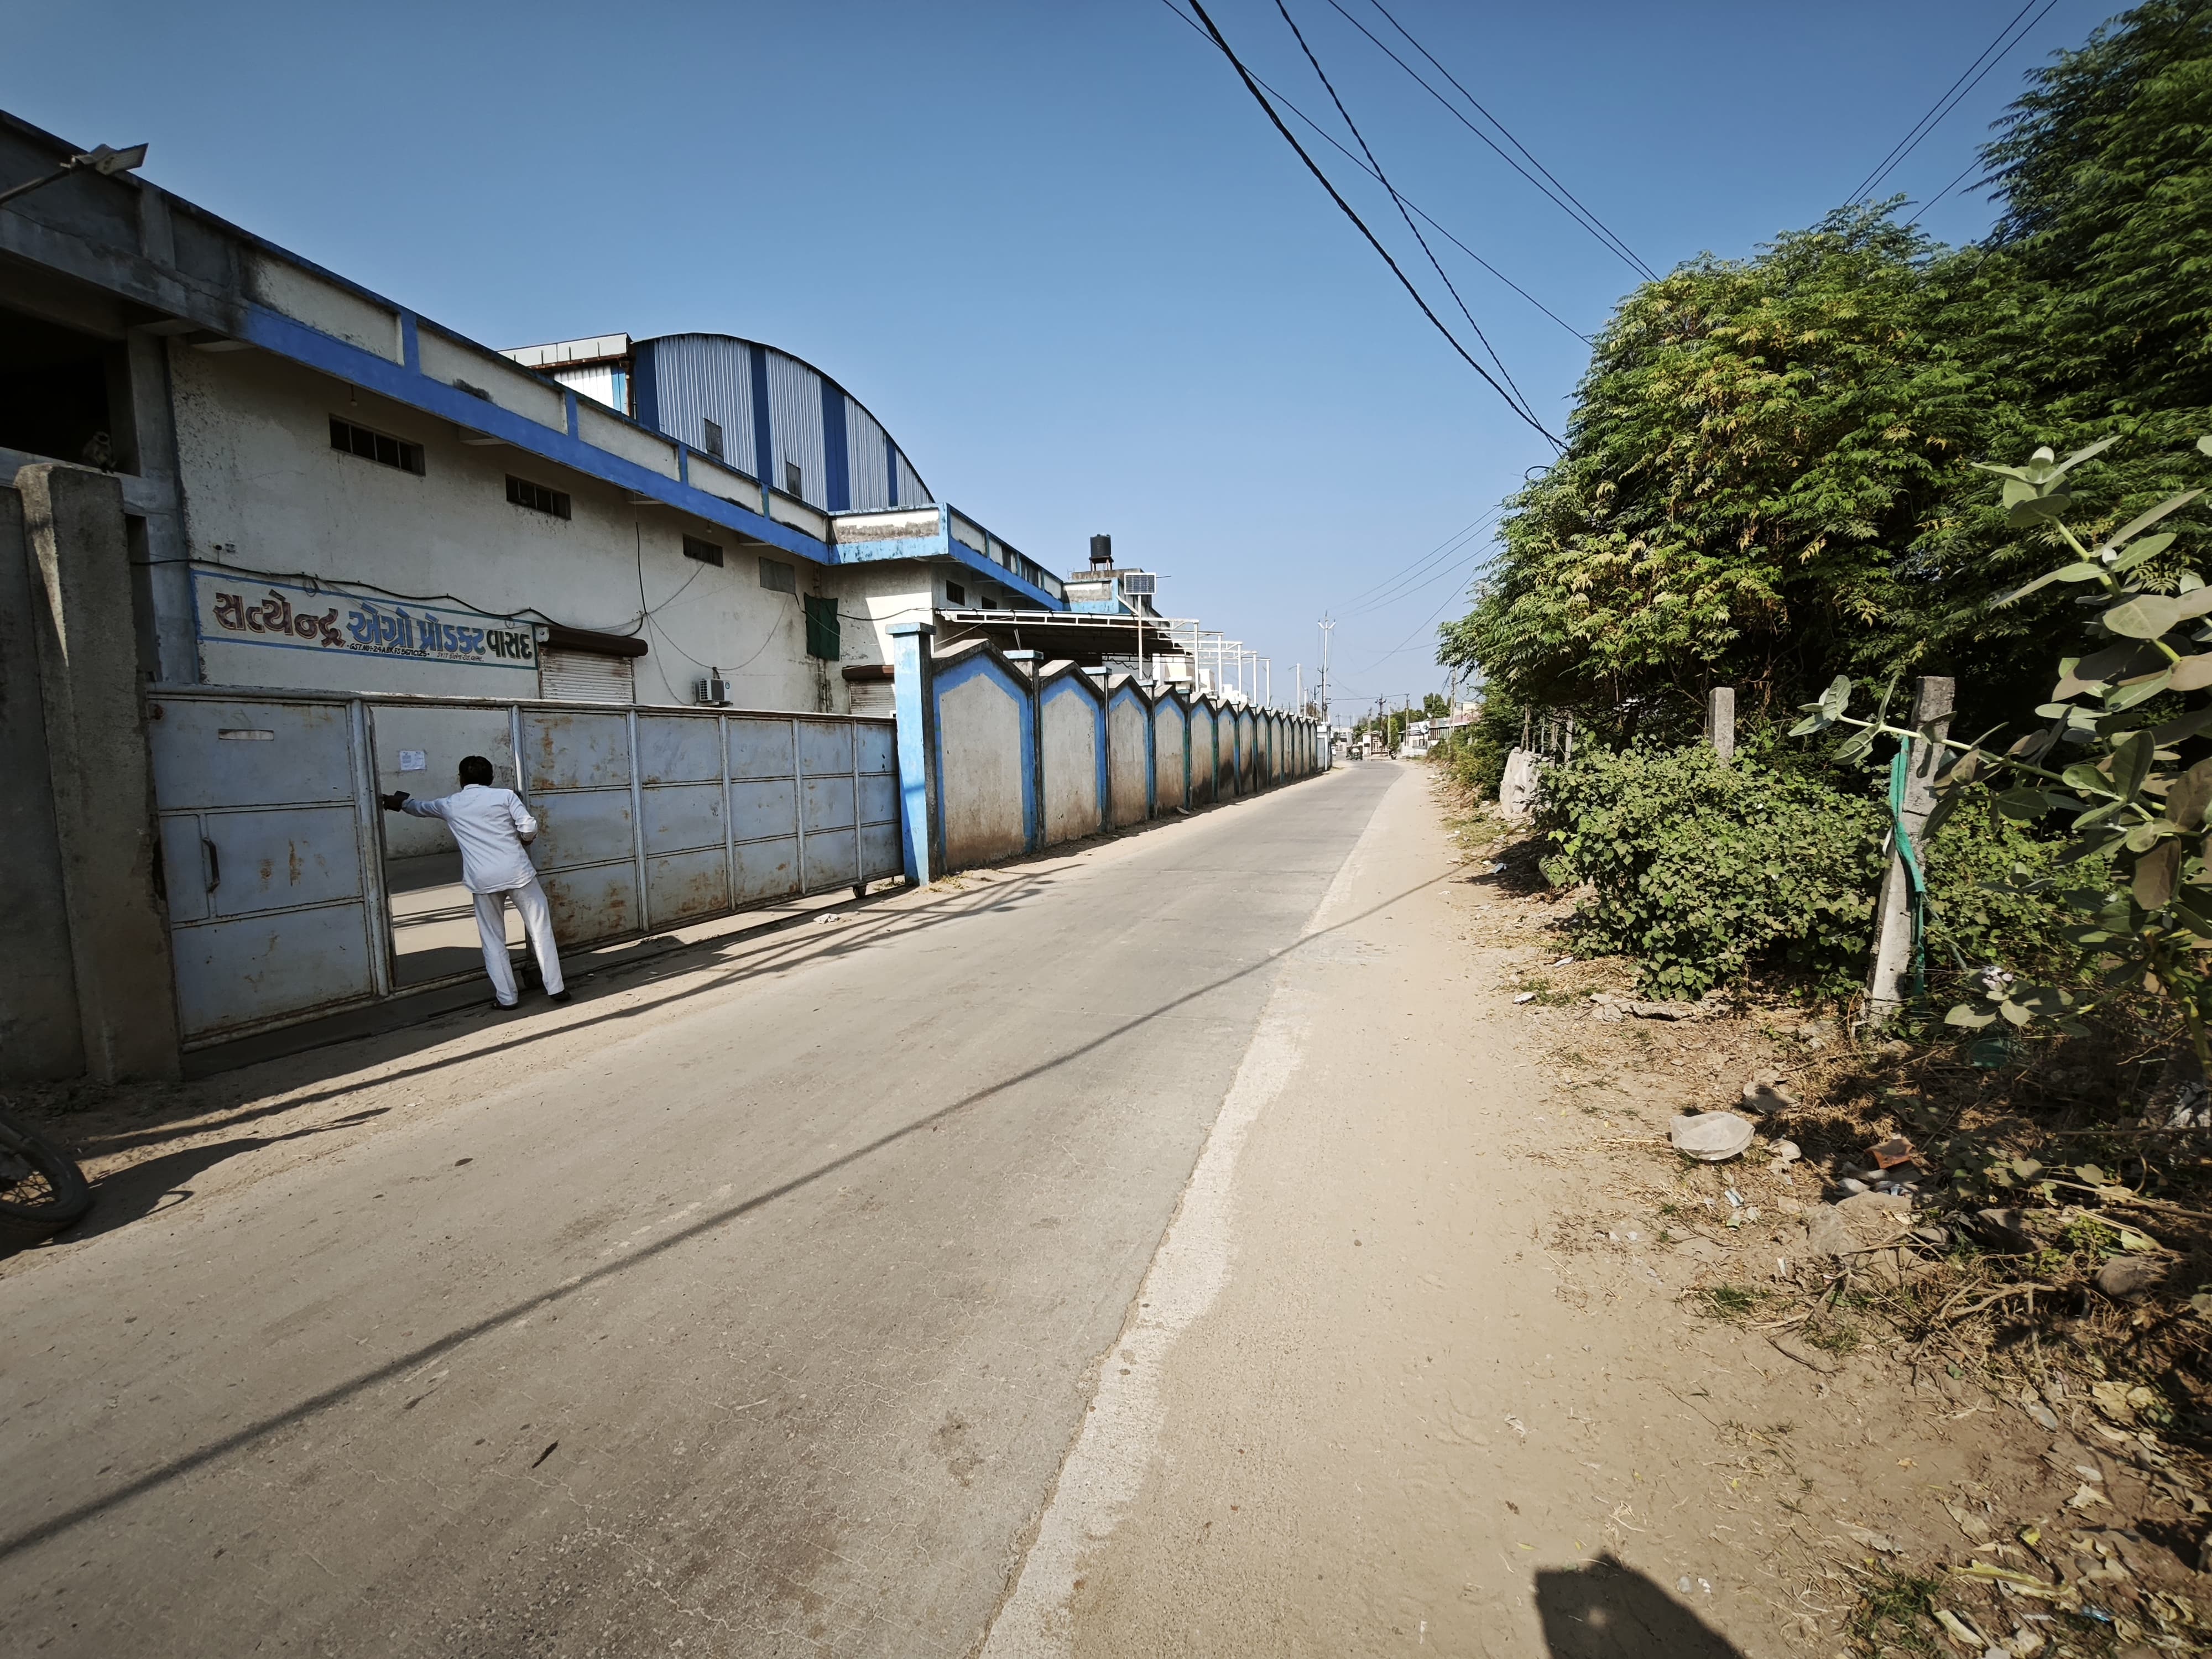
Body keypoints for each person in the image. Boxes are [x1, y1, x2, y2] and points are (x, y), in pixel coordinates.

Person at [380, 755, 568, 1009]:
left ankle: (507, 999)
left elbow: (419, 808)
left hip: (482, 879)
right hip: (518, 873)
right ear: (490, 778)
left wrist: (401, 803)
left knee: (493, 939)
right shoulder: (505, 797)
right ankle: (556, 989)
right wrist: (525, 839)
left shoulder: (450, 804)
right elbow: (529, 825)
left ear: (461, 779)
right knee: (540, 929)